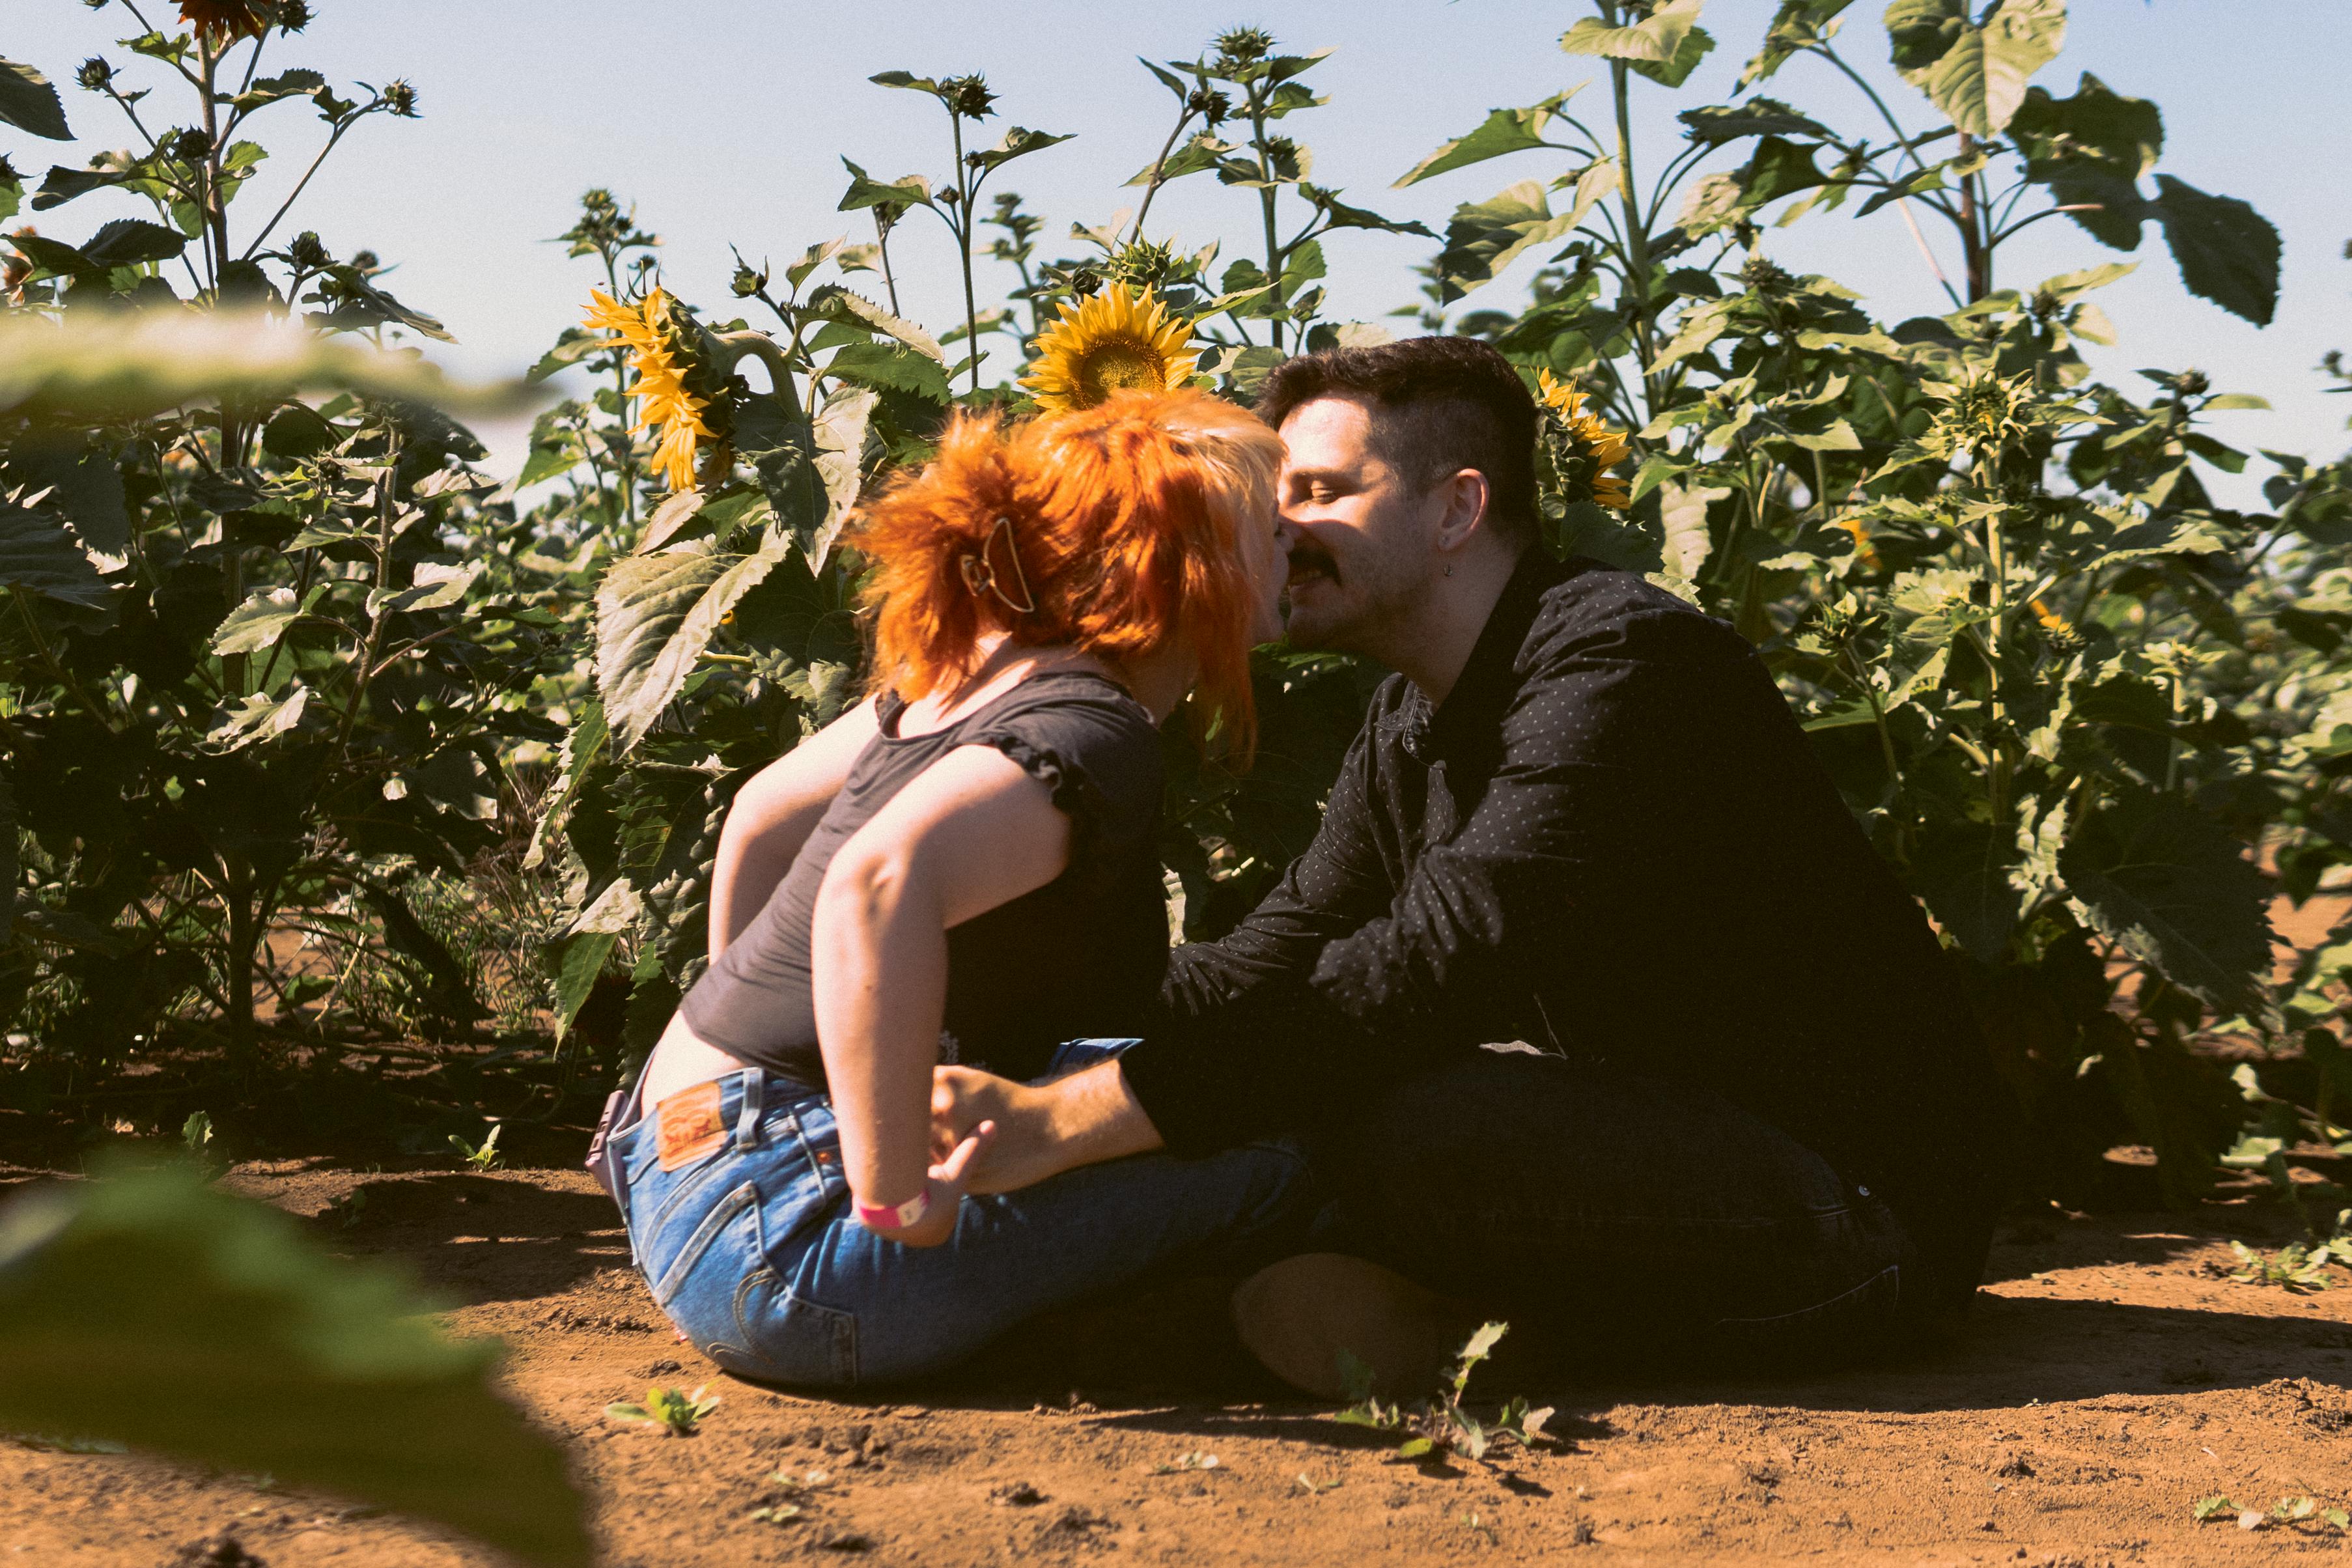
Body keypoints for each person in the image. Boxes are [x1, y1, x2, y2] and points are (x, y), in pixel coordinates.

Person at [931, 336, 2021, 1395]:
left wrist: (1069, 1121)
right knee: (1309, 1081)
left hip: (1861, 1218)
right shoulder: (1412, 717)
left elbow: (1436, 963)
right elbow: (1270, 955)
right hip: (1670, 1157)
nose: (1276, 529)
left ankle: (1513, 1339)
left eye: (1317, 490)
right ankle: (1441, 1324)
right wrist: (994, 1029)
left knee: (1402, 1117)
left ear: (1458, 508)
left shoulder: (1624, 665)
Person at [591, 388, 1313, 1388]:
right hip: (802, 1252)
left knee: (1147, 1082)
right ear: (1190, 569)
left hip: (681, 1170)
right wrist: (891, 1195)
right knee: (1290, 1153)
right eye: (1268, 530)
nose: (1295, 545)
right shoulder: (1094, 729)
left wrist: (771, 1049)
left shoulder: (971, 676)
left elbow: (761, 813)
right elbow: (875, 888)